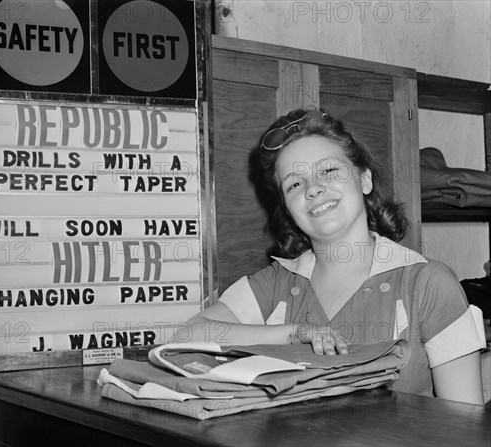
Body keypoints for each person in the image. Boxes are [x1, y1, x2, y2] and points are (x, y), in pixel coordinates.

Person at [174, 109, 486, 404]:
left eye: (329, 170)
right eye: (295, 183)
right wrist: (296, 333)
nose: (313, 189)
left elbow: (464, 424)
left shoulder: (428, 283)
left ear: (364, 179)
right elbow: (189, 333)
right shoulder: (274, 284)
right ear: (287, 207)